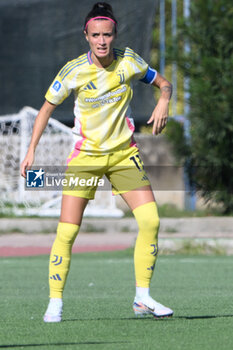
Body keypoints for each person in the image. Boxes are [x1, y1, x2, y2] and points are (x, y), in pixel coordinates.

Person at [21, 2, 173, 322]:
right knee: (67, 231)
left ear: (115, 34)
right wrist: (31, 151)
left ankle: (142, 298)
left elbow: (164, 83)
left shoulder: (129, 61)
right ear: (86, 36)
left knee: (151, 222)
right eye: (96, 35)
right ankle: (55, 302)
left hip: (123, 156)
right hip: (86, 159)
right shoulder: (73, 70)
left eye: (107, 34)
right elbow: (46, 108)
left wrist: (163, 101)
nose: (102, 41)